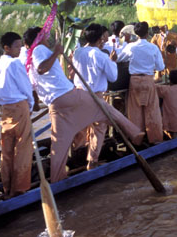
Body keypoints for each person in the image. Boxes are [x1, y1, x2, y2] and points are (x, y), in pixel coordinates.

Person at [25, 27, 144, 183]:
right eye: (45, 36)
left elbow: (33, 82)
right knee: (106, 109)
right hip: (74, 96)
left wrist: (33, 103)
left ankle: (57, 177)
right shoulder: (40, 49)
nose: (47, 39)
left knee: (59, 143)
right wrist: (57, 52)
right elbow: (42, 68)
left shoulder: (31, 58)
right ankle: (133, 133)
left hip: (55, 103)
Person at [0, 32, 34, 198]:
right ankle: (18, 188)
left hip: (5, 110)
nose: (19, 50)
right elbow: (26, 87)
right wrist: (31, 104)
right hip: (19, 108)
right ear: (7, 48)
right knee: (23, 148)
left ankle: (7, 187)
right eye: (17, 46)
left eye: (20, 46)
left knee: (7, 149)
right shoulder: (15, 64)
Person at [72, 23, 118, 170]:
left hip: (79, 94)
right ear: (100, 40)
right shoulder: (100, 55)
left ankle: (76, 157)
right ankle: (92, 161)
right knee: (99, 127)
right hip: (96, 96)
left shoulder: (78, 52)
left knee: (80, 126)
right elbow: (113, 77)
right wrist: (113, 62)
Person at [116, 21, 165, 144]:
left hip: (135, 80)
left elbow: (119, 58)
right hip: (148, 79)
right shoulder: (153, 48)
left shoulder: (131, 47)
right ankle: (155, 138)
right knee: (152, 110)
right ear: (147, 33)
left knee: (135, 110)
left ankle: (136, 139)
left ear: (135, 33)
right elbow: (160, 67)